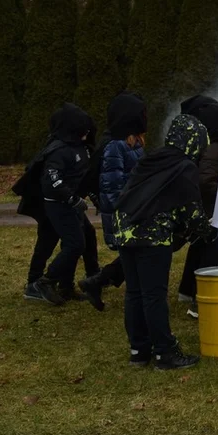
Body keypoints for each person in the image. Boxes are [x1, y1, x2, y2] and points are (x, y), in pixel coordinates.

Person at [113, 115, 213, 370]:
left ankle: (138, 350)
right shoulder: (184, 166)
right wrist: (209, 231)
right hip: (152, 236)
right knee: (154, 296)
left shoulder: (153, 157)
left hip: (126, 230)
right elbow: (190, 210)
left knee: (134, 293)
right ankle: (165, 354)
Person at [16, 103, 98, 308]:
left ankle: (64, 285)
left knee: (78, 237)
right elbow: (51, 180)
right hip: (56, 204)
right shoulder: (58, 150)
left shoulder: (80, 147)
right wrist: (71, 198)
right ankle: (39, 283)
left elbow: (83, 177)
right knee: (56, 241)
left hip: (68, 204)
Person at [78, 92, 148, 307]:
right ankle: (100, 283)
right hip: (127, 212)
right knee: (138, 253)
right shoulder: (115, 146)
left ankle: (97, 282)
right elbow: (112, 187)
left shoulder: (133, 143)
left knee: (138, 253)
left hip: (136, 207)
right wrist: (128, 209)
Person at [176, 98, 218, 316]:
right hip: (211, 212)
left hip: (209, 210)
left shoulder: (216, 147)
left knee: (198, 249)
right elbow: (207, 182)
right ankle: (201, 301)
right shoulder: (215, 149)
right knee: (212, 253)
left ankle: (187, 291)